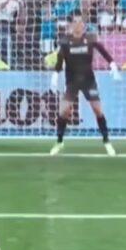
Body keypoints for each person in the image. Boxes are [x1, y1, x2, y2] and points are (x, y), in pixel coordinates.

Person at [49, 13, 121, 156]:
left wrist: (112, 64)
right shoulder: (65, 41)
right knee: (64, 111)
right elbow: (60, 59)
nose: (78, 24)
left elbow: (103, 51)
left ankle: (107, 141)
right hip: (72, 82)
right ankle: (59, 142)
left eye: (80, 22)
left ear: (83, 24)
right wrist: (55, 75)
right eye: (75, 22)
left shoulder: (90, 39)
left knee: (98, 110)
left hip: (88, 81)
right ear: (71, 25)